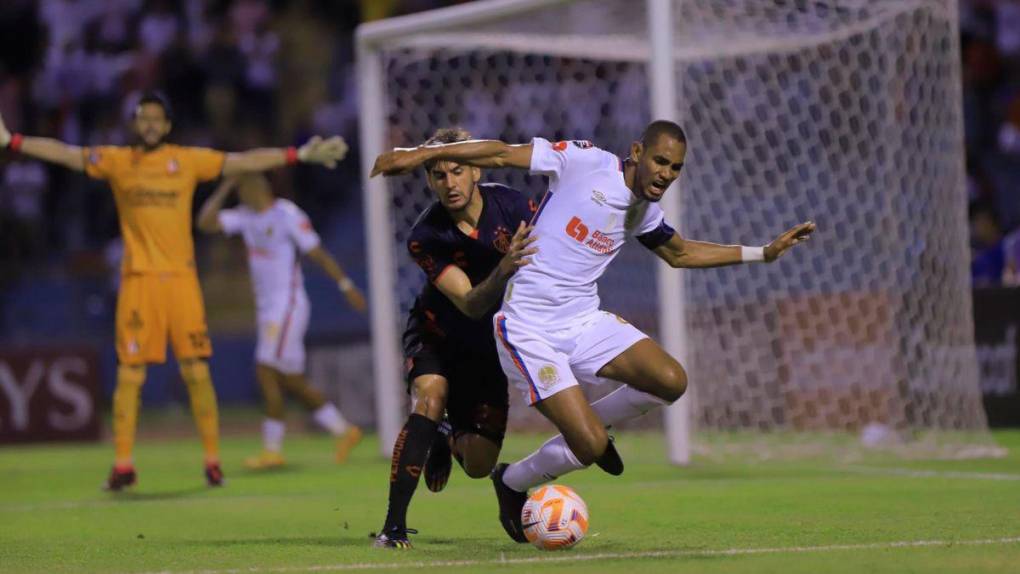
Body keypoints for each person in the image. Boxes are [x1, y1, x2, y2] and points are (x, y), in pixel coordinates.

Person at [372, 120, 815, 542]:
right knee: (586, 446)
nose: (666, 174)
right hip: (527, 328)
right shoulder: (586, 161)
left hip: (583, 320)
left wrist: (763, 253)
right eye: (660, 161)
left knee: (670, 381)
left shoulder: (644, 209)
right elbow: (503, 153)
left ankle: (526, 468)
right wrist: (419, 155)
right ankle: (519, 479)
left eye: (676, 167)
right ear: (637, 152)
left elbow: (680, 254)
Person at [0, 92, 347, 490]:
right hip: (139, 282)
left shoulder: (186, 160)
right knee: (131, 374)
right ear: (136, 123)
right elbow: (65, 153)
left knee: (196, 371)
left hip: (181, 282)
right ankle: (123, 464)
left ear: (166, 126)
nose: (149, 124)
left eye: (156, 119)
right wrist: (13, 142)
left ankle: (213, 463)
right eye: (143, 118)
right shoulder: (118, 161)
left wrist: (297, 155)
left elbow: (242, 161)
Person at [374, 127, 537, 549]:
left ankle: (444, 437)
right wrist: (505, 268)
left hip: (486, 348)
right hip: (436, 333)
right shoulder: (425, 236)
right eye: (438, 174)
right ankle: (393, 527)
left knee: (480, 465)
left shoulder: (515, 206)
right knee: (430, 396)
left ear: (477, 171)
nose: (449, 183)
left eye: (458, 170)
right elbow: (468, 302)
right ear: (429, 180)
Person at [196, 173, 367, 468]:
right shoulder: (244, 216)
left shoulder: (286, 214)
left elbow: (317, 253)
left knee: (265, 369)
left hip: (286, 306)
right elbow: (205, 223)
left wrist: (345, 286)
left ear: (258, 187)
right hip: (268, 311)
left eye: (243, 185)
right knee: (290, 379)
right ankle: (344, 430)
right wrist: (225, 185)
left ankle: (272, 450)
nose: (241, 192)